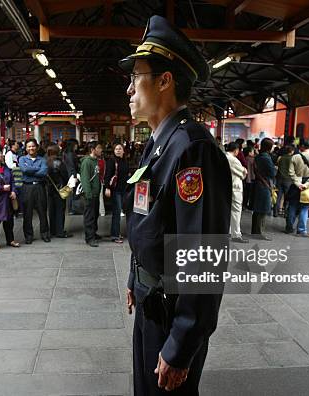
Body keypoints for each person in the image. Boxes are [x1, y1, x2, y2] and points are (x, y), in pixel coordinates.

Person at [119, 15, 231, 395]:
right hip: (152, 300)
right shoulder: (158, 144)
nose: (130, 90)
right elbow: (149, 220)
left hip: (173, 313)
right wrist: (138, 276)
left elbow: (203, 256)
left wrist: (181, 346)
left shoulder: (192, 149)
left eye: (137, 77)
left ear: (165, 81)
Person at [285, 139, 309, 237]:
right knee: (304, 208)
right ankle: (301, 230)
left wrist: (297, 183)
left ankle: (289, 227)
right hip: (308, 187)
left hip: (295, 185)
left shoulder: (295, 157)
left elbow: (291, 173)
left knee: (292, 206)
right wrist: (307, 184)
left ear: (301, 146)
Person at [18, 138, 50, 244]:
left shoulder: (42, 159)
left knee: (42, 212)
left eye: (33, 146)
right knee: (27, 213)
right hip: (27, 188)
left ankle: (45, 234)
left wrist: (31, 170)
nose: (31, 148)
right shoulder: (22, 159)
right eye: (29, 146)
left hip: (40, 187)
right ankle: (28, 236)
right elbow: (24, 170)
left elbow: (44, 172)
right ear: (26, 148)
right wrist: (37, 169)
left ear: (36, 147)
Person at [251, 138, 276, 240]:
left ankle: (255, 231)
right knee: (263, 209)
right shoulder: (266, 158)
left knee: (257, 209)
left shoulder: (258, 156)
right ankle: (260, 233)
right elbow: (272, 173)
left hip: (258, 183)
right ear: (269, 147)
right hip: (265, 185)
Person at [104, 143, 129, 243]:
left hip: (124, 189)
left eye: (120, 149)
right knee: (117, 212)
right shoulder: (111, 161)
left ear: (123, 150)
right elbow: (107, 175)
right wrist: (107, 188)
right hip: (115, 190)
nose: (118, 150)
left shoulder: (125, 161)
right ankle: (114, 235)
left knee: (122, 211)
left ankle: (117, 233)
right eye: (116, 149)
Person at [46, 144, 72, 239]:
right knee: (60, 210)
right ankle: (60, 231)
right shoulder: (59, 162)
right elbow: (65, 175)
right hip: (60, 189)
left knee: (51, 210)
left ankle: (52, 230)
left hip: (49, 189)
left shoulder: (46, 162)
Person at [80, 141, 103, 247]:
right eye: (98, 148)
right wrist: (88, 194)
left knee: (95, 215)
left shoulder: (96, 161)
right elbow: (85, 179)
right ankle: (89, 238)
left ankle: (93, 233)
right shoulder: (87, 162)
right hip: (89, 195)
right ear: (92, 150)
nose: (101, 150)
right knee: (89, 216)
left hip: (96, 193)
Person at [226, 142, 248, 243]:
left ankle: (229, 231)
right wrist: (244, 170)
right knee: (236, 211)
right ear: (236, 150)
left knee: (228, 210)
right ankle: (236, 234)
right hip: (235, 188)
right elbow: (244, 173)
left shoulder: (223, 156)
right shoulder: (233, 160)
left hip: (227, 186)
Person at [274, 145, 293, 217]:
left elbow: (277, 165)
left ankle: (275, 212)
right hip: (288, 180)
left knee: (278, 196)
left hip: (279, 179)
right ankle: (286, 213)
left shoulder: (280, 158)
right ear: (291, 151)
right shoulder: (292, 159)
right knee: (287, 197)